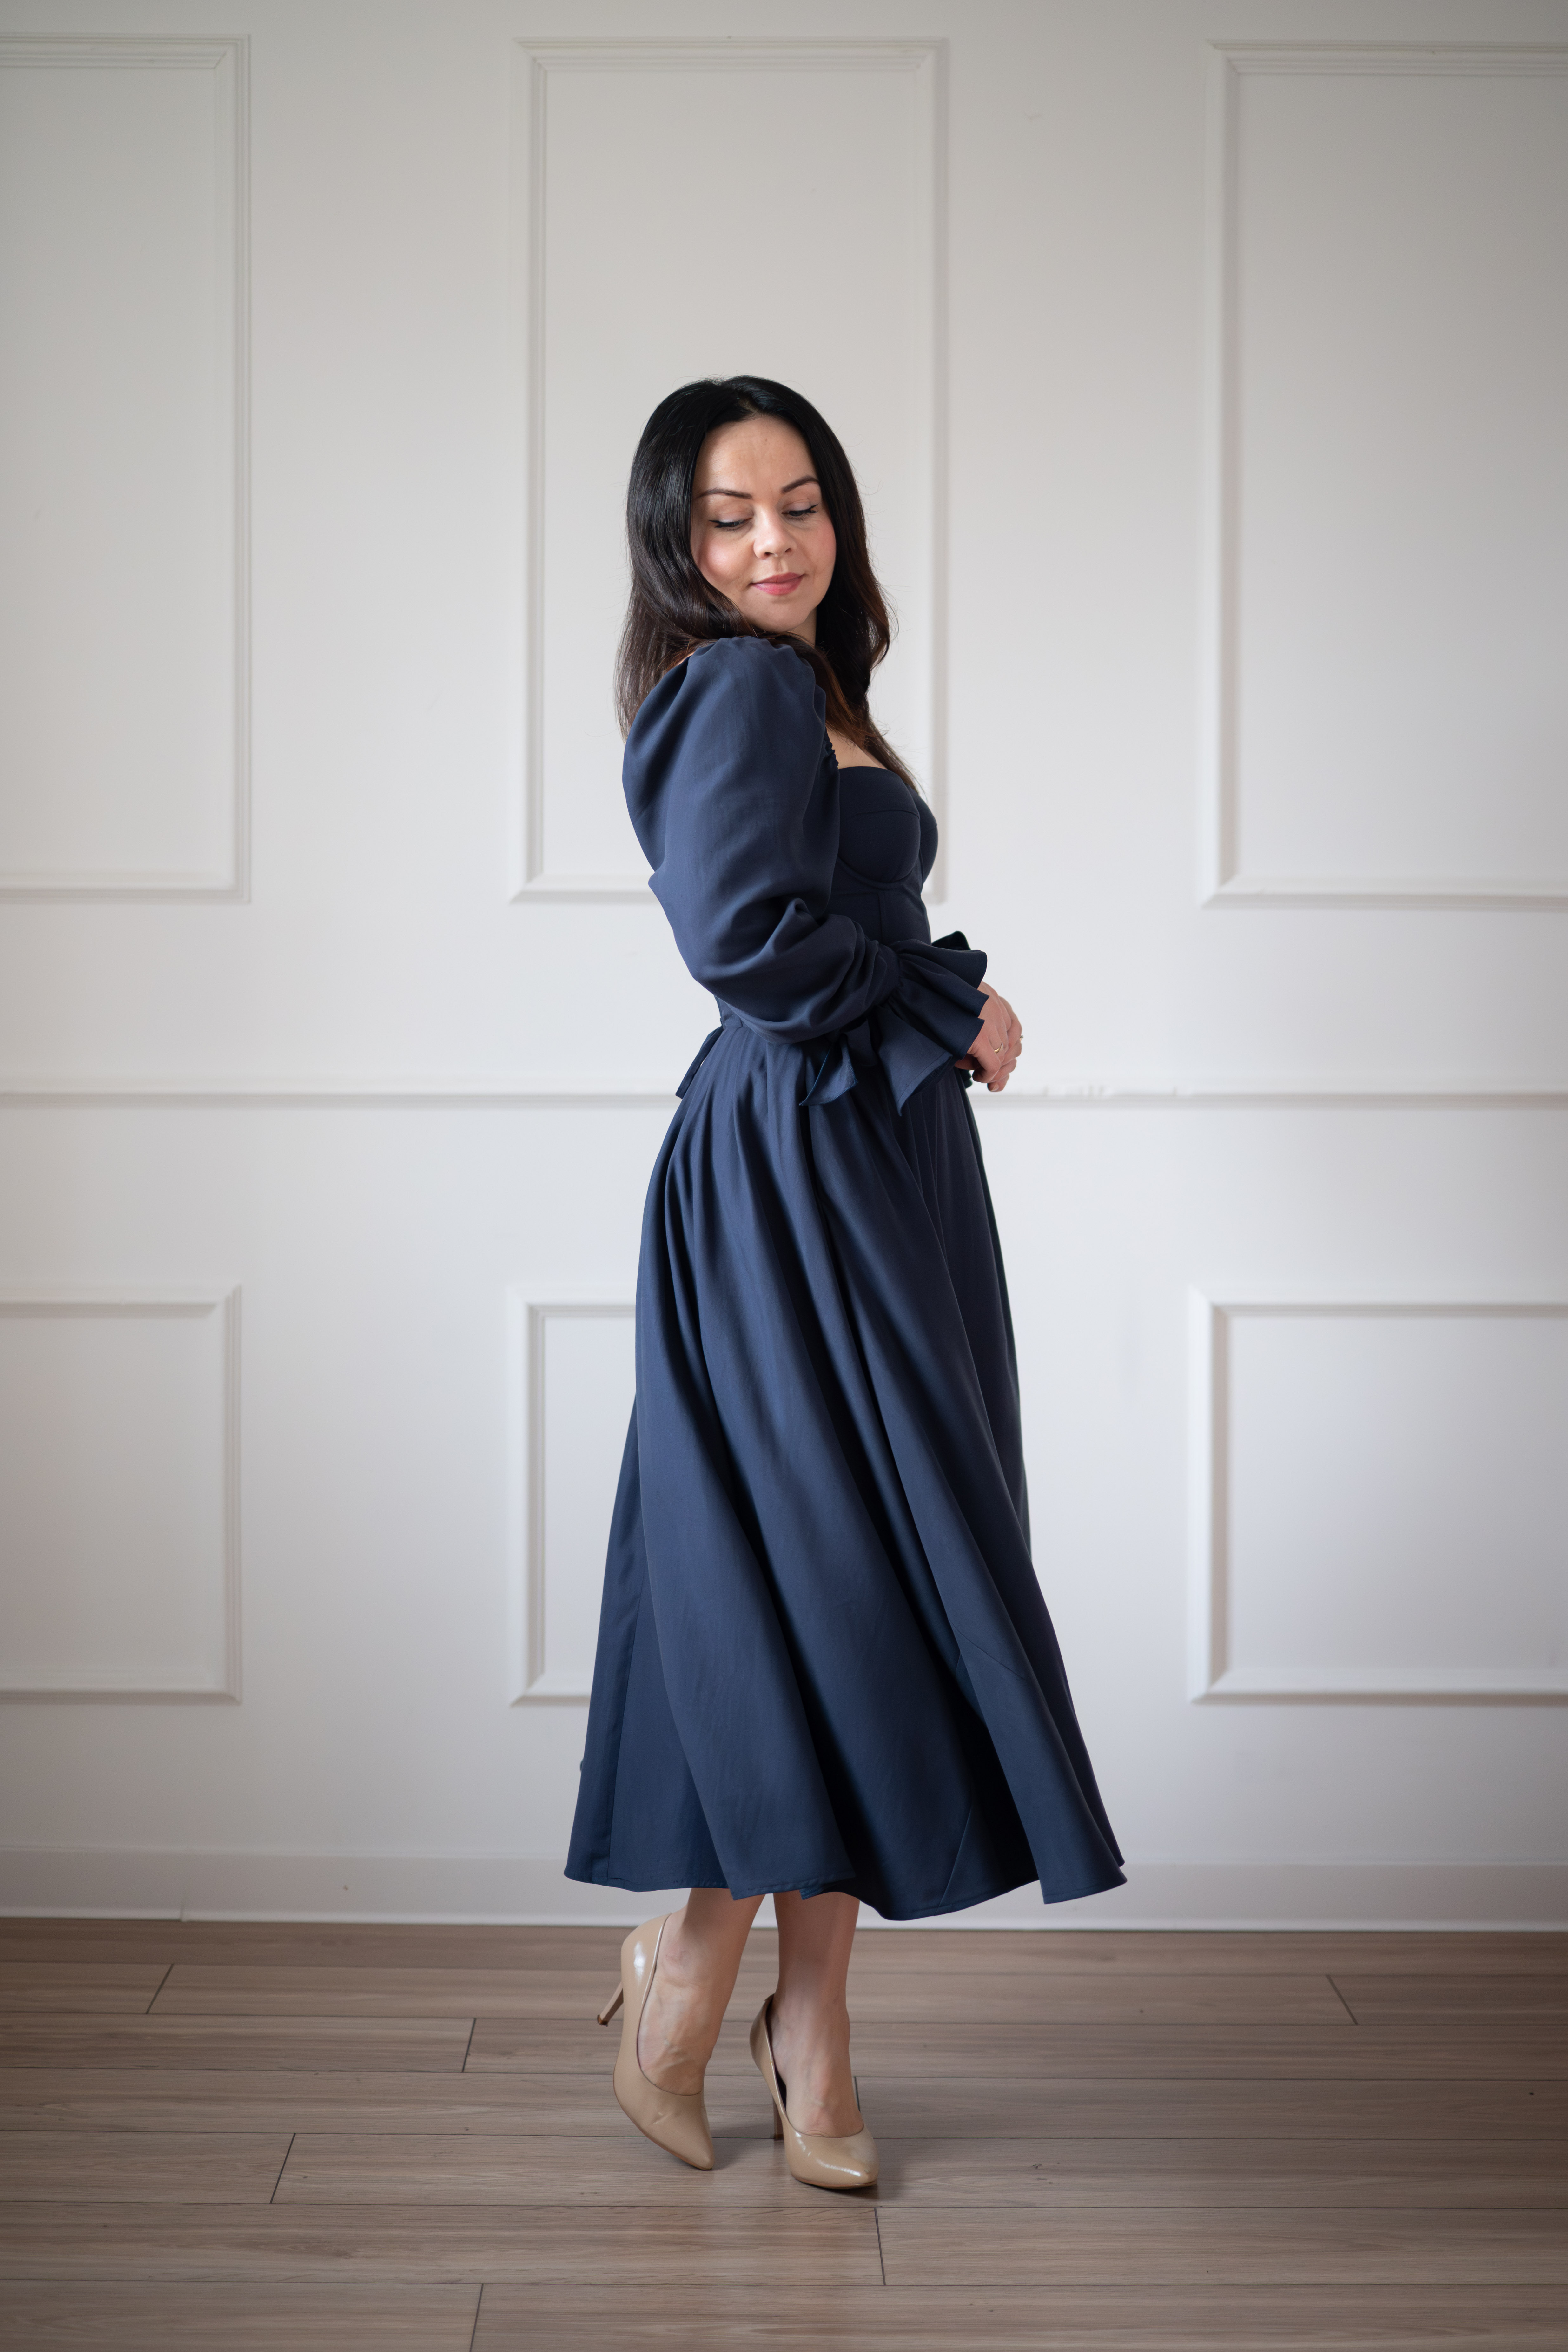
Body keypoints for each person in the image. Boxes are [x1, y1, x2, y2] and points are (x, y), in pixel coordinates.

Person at [567, 376, 1123, 2190]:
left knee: (874, 1573)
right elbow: (743, 940)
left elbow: (823, 921)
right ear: (679, 541)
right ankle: (702, 1970)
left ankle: (805, 2018)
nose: (772, 542)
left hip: (879, 1166)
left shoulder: (815, 690)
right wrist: (951, 1005)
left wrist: (935, 1010)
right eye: (729, 517)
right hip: (792, 1173)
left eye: (799, 503)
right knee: (813, 1576)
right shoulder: (732, 686)